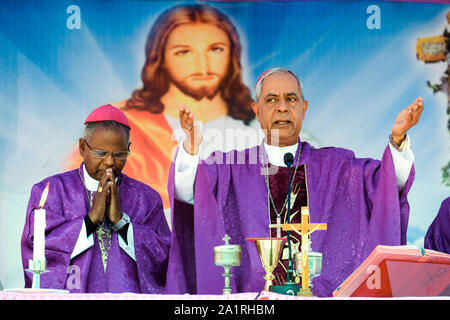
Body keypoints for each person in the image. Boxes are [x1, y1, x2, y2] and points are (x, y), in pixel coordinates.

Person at [166, 68, 423, 297]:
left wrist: (397, 141)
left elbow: (387, 186)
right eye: (271, 100)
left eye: (291, 99)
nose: (282, 107)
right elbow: (190, 193)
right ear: (257, 110)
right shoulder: (231, 168)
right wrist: (190, 151)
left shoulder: (337, 167)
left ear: (304, 107)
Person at [65, 4, 316, 217]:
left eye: (216, 49)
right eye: (184, 52)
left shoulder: (267, 129)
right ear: (159, 58)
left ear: (233, 54)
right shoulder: (122, 128)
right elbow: (78, 195)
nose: (202, 64)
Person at [21, 105, 171, 293]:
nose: (109, 162)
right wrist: (90, 221)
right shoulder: (50, 192)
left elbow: (165, 256)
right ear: (83, 147)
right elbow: (36, 248)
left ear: (129, 149)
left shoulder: (146, 198)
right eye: (100, 153)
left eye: (118, 154)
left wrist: (122, 224)